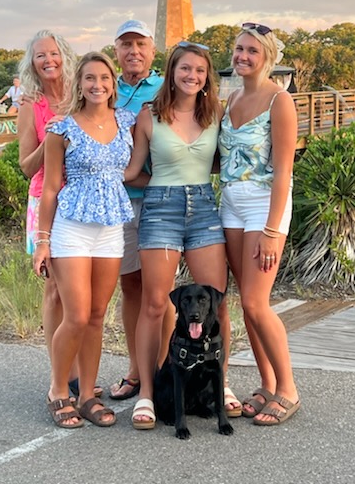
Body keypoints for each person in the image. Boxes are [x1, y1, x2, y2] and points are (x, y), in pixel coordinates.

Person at [124, 41, 241, 430]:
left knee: (216, 302)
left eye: (200, 70)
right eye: (185, 68)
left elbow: (227, 160)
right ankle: (146, 394)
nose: (192, 76)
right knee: (155, 304)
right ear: (172, 72)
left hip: (204, 209)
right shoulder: (149, 116)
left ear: (207, 77)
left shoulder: (215, 113)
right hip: (161, 209)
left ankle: (219, 385)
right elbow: (133, 171)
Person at [33, 52, 136, 428]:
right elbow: (49, 189)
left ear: (113, 83)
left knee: (95, 316)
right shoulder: (62, 129)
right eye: (90, 78)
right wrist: (43, 241)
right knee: (75, 315)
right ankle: (59, 390)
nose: (98, 85)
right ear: (79, 83)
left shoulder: (127, 120)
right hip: (71, 228)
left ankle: (88, 395)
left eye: (104, 78)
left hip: (110, 230)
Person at [218, 22, 300, 426]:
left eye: (252, 50)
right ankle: (267, 384)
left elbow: (284, 170)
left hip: (263, 205)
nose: (243, 56)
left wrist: (270, 230)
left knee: (256, 301)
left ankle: (288, 389)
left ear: (267, 57)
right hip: (230, 204)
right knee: (245, 303)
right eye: (239, 49)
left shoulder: (279, 101)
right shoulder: (231, 98)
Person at [17, 30, 100, 399]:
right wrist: (52, 137)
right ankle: (62, 375)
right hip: (45, 200)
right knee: (54, 289)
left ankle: (80, 373)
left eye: (53, 53)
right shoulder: (30, 105)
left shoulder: (80, 94)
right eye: (40, 56)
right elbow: (26, 166)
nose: (48, 60)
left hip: (81, 199)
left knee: (81, 295)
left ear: (64, 55)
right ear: (32, 63)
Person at [109, 20, 176, 401]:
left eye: (140, 44)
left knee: (160, 290)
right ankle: (137, 370)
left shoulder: (166, 87)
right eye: (126, 44)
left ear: (152, 51)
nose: (133, 51)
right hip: (119, 201)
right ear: (116, 51)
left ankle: (164, 368)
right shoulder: (105, 86)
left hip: (158, 199)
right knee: (130, 285)